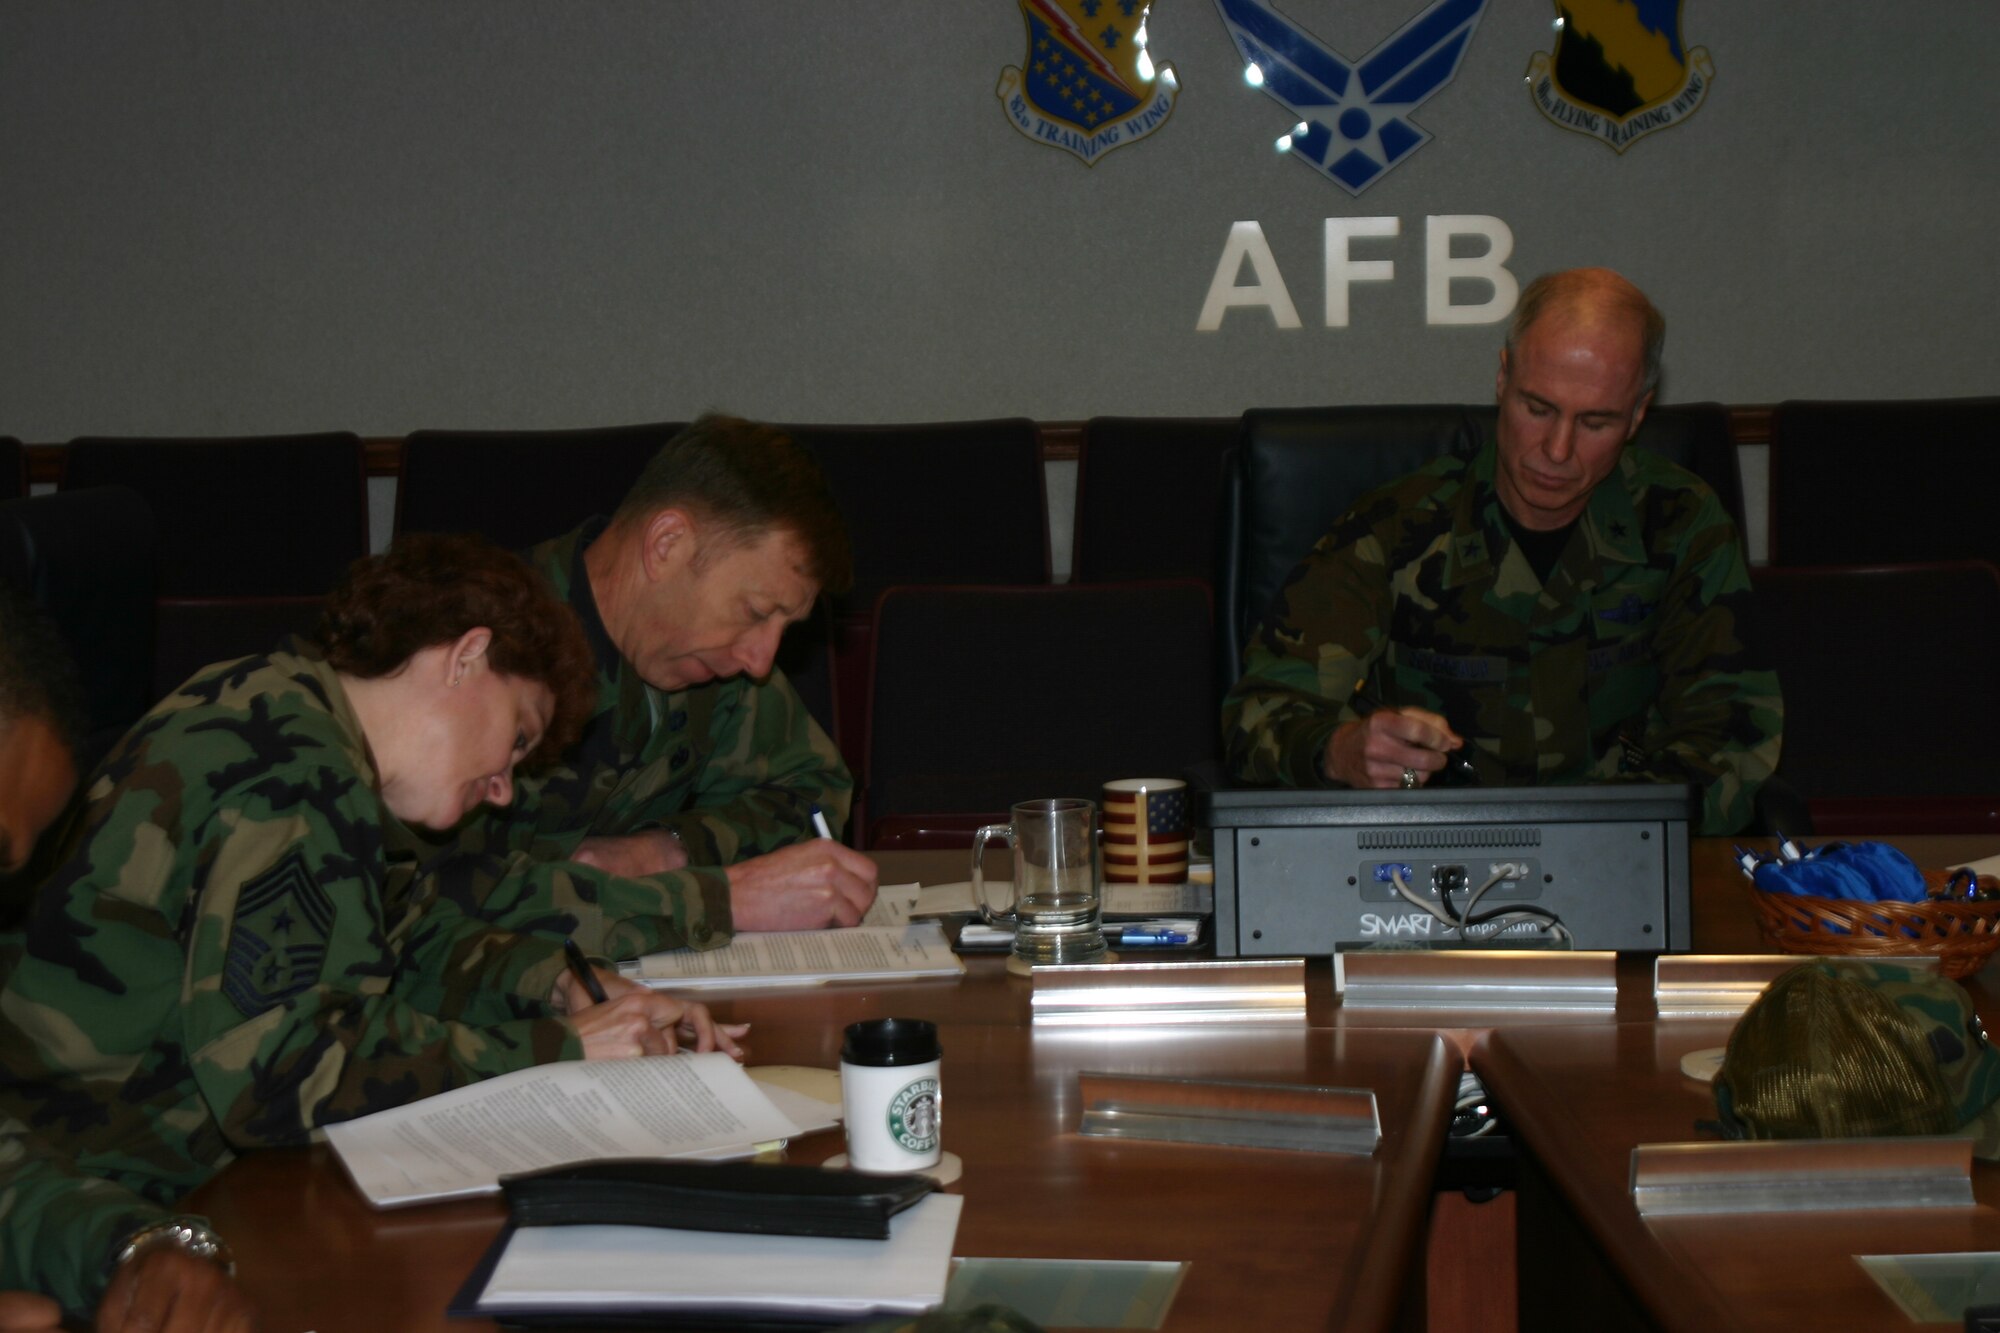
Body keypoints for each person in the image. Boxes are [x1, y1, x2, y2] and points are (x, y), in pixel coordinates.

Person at [0, 534, 744, 1323]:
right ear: (465, 657)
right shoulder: (295, 772)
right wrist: (564, 1051)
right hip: (80, 1197)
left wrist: (561, 987)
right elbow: (287, 1080)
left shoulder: (288, 707)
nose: (501, 788)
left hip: (119, 1192)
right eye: (517, 738)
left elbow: (409, 938)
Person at [1222, 268, 1782, 835]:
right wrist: (1339, 751)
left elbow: (1732, 735)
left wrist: (1618, 835)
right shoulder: (1395, 530)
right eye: (1538, 408)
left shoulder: (1682, 525)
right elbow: (1256, 716)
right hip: (1423, 861)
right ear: (1502, 378)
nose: (1557, 450)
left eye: (1596, 421)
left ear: (1638, 414)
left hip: (1619, 852)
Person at [415, 413, 879, 963]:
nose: (761, 661)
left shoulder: (706, 660)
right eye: (755, 611)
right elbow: (424, 908)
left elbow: (811, 792)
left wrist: (668, 850)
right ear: (667, 544)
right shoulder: (472, 658)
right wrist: (712, 900)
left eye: (785, 627)